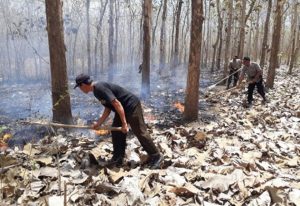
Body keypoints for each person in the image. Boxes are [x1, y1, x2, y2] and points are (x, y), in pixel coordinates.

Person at [74, 74, 163, 169]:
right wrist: (98, 123)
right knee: (116, 131)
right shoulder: (96, 91)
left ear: (83, 85)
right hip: (122, 109)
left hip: (131, 106)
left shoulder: (100, 88)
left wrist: (124, 124)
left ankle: (156, 156)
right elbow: (108, 109)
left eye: (79, 87)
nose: (81, 90)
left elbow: (117, 103)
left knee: (139, 131)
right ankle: (118, 158)